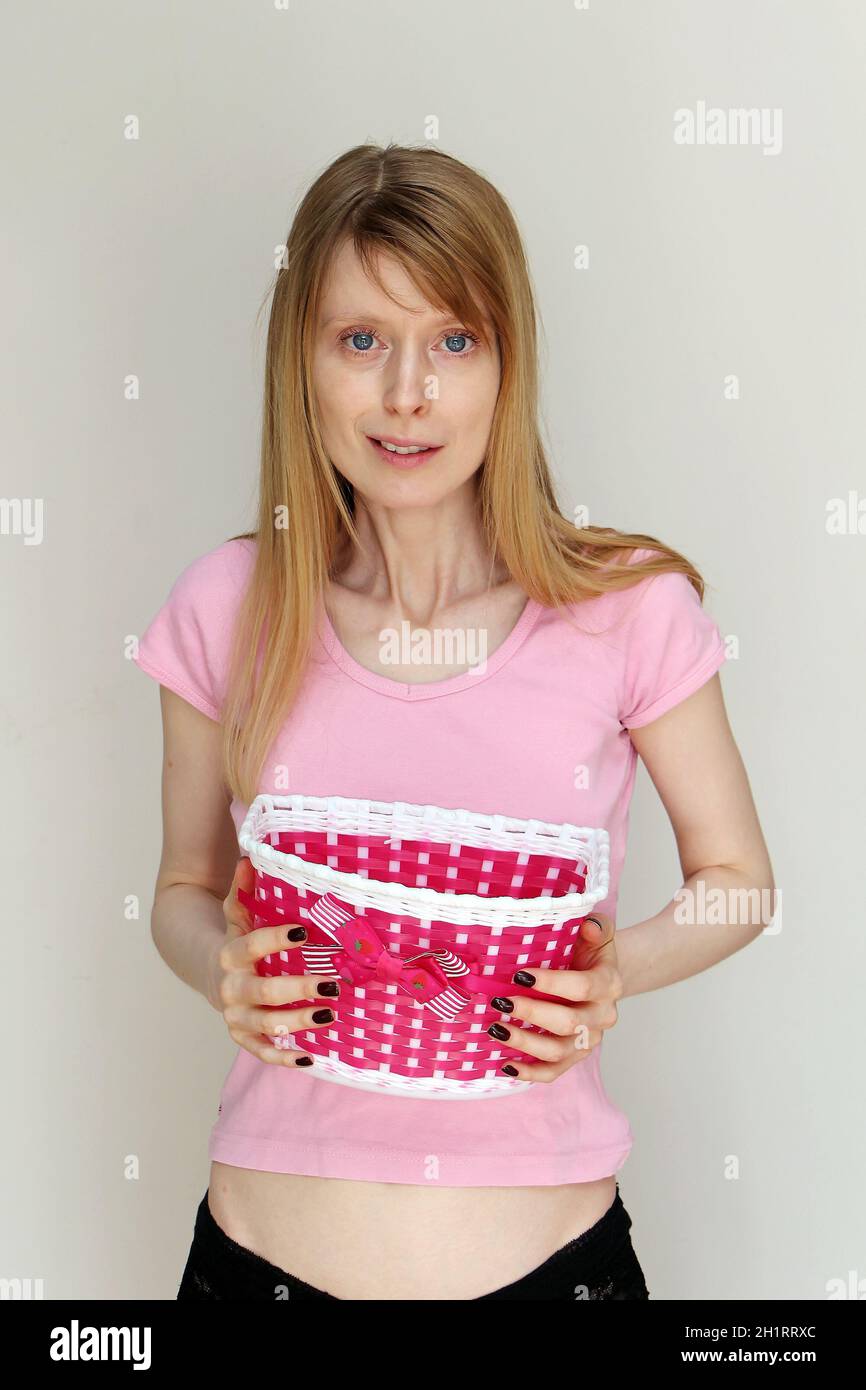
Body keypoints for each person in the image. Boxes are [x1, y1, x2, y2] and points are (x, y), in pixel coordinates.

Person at [133, 143, 775, 1300]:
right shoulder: (223, 607)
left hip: (549, 1277)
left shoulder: (628, 610)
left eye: (455, 341)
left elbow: (737, 880)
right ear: (303, 363)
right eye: (361, 340)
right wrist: (219, 963)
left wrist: (611, 971)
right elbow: (182, 888)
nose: (407, 395)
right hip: (256, 1269)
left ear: (505, 363)